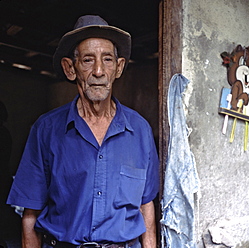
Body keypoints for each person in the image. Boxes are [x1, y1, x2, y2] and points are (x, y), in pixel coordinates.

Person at [7, 15, 159, 248]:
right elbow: (30, 215)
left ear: (118, 68)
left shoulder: (140, 130)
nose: (98, 71)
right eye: (88, 60)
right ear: (70, 69)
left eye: (107, 59)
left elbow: (145, 207)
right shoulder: (46, 130)